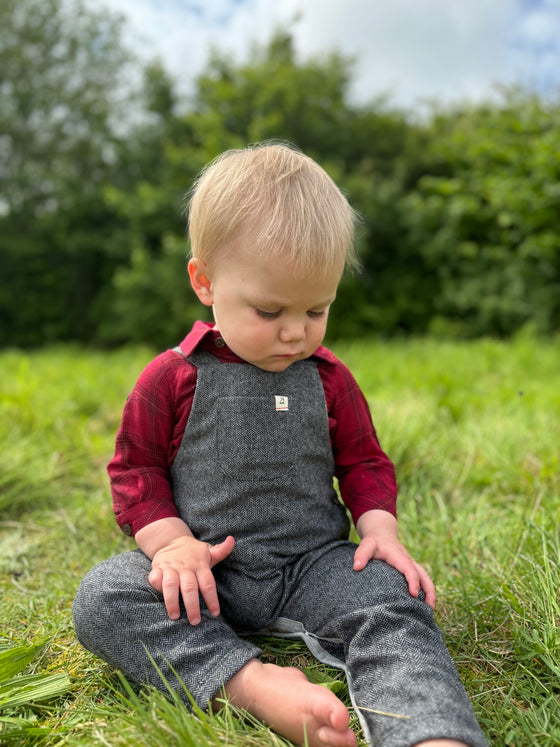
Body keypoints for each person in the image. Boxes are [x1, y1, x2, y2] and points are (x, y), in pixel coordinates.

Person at [73, 142, 488, 747]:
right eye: (269, 310)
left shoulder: (327, 378)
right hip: (207, 576)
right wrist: (173, 546)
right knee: (105, 597)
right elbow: (136, 471)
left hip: (314, 565)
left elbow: (364, 461)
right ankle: (251, 684)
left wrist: (381, 531)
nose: (295, 332)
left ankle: (429, 733)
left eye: (316, 309)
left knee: (394, 600)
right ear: (204, 282)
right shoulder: (174, 377)